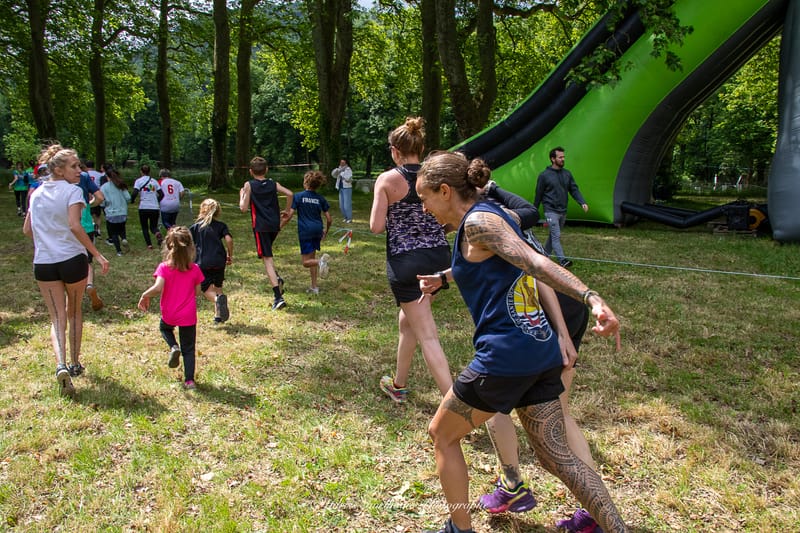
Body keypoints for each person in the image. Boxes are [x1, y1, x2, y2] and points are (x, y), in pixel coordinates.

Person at [415, 151, 625, 533]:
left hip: (505, 358)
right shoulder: (497, 215)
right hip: (537, 351)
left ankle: (459, 527)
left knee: (442, 435)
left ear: (444, 191)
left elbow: (536, 264)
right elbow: (508, 261)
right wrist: (445, 277)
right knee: (559, 458)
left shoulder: (478, 223)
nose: (424, 208)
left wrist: (592, 298)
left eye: (425, 198)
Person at [476, 182, 605, 532]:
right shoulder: (508, 211)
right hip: (566, 301)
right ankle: (594, 510)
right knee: (559, 412)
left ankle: (512, 486)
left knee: (491, 403)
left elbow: (530, 268)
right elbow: (531, 213)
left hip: (539, 306)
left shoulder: (479, 221)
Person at [369, 116, 452, 402]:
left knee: (427, 334)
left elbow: (376, 227)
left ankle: (456, 408)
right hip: (440, 259)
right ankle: (398, 384)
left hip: (407, 264)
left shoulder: (388, 179)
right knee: (409, 322)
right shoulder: (434, 177)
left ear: (395, 150)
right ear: (420, 146)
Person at [22, 144, 110, 396]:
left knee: (57, 317)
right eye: (74, 166)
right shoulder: (73, 192)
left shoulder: (36, 194)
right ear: (58, 170)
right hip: (72, 260)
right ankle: (74, 364)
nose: (79, 170)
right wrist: (97, 254)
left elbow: (27, 231)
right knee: (74, 313)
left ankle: (60, 363)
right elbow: (75, 225)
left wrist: (47, 235)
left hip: (44, 263)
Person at [137, 226, 204, 389]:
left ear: (169, 246)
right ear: (190, 247)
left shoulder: (164, 267)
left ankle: (173, 346)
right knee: (189, 348)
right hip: (188, 315)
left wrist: (145, 295)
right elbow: (198, 292)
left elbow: (158, 288)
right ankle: (189, 381)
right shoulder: (194, 269)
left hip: (169, 313)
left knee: (165, 328)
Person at [239, 156, 293, 311]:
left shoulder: (249, 185)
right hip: (274, 224)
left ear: (251, 171)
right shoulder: (272, 183)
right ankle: (277, 279)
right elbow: (290, 194)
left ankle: (278, 297)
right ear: (266, 170)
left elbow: (243, 208)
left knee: (267, 259)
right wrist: (287, 211)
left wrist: (242, 194)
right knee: (267, 253)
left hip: (261, 226)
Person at [534, 147, 589, 268]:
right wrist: (534, 211)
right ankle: (562, 260)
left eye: (563, 157)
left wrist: (582, 202)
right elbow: (538, 194)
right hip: (550, 211)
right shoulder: (544, 176)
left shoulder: (567, 174)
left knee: (552, 237)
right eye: (560, 157)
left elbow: (574, 190)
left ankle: (543, 257)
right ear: (553, 159)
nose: (563, 159)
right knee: (556, 235)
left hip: (562, 211)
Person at [285, 170, 333, 295]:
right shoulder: (320, 198)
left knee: (306, 262)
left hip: (305, 231)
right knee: (311, 257)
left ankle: (321, 262)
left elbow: (290, 214)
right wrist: (326, 231)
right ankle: (314, 287)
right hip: (317, 230)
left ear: (305, 182)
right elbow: (329, 219)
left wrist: (281, 223)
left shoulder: (298, 196)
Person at [190, 199, 234, 323]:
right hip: (219, 261)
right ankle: (218, 316)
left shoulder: (196, 227)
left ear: (202, 210)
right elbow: (229, 240)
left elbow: (188, 243)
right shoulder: (221, 225)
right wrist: (229, 255)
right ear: (217, 211)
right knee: (218, 287)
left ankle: (217, 301)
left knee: (205, 289)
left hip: (203, 262)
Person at [77, 162, 106, 311]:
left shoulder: (57, 178)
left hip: (68, 226)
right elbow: (100, 197)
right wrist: (89, 205)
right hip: (86, 225)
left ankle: (73, 296)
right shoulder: (84, 176)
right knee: (87, 261)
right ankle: (89, 285)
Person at [131, 164, 163, 250]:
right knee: (153, 226)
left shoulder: (138, 181)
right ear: (149, 172)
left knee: (144, 227)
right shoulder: (154, 181)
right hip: (154, 207)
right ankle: (157, 233)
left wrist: (132, 200)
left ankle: (149, 244)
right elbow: (161, 194)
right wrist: (157, 201)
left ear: (141, 171)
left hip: (143, 207)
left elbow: (134, 192)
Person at [100, 168, 131, 256]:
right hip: (122, 212)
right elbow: (128, 198)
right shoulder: (121, 185)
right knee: (121, 227)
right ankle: (124, 238)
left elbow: (102, 201)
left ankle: (119, 251)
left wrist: (104, 205)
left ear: (107, 176)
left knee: (113, 233)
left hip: (111, 212)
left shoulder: (104, 187)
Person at [85, 160, 105, 235]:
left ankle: (92, 227)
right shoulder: (99, 174)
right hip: (97, 195)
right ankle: (98, 229)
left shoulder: (85, 174)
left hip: (88, 196)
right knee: (98, 214)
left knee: (89, 213)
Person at [332, 158, 353, 223]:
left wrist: (342, 173)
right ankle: (345, 217)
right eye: (341, 163)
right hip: (340, 188)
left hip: (347, 188)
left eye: (343, 163)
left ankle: (349, 218)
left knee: (347, 204)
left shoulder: (348, 169)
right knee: (341, 205)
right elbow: (333, 175)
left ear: (346, 163)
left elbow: (348, 178)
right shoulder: (339, 169)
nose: (341, 164)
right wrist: (336, 170)